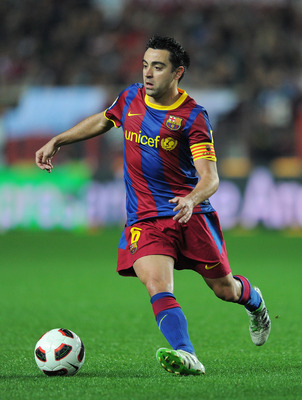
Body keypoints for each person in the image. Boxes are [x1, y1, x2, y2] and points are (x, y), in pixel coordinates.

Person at [35, 35, 271, 376]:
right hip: (145, 218)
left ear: (178, 73)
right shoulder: (130, 96)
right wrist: (59, 139)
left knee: (225, 289)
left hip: (190, 215)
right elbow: (103, 119)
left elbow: (211, 178)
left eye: (157, 67)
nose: (148, 73)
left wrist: (191, 199)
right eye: (145, 65)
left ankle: (255, 302)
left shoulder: (193, 117)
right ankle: (186, 354)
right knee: (157, 285)